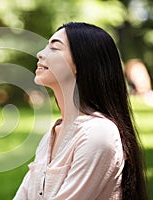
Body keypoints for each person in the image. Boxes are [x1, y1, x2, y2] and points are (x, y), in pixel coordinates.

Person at [13, 22, 147, 199]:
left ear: (80, 63)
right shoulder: (50, 137)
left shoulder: (99, 134)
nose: (40, 53)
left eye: (54, 48)